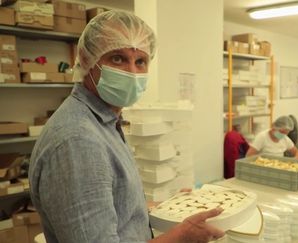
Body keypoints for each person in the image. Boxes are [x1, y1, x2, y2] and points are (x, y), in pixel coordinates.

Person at [28, 10, 224, 243]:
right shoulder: (78, 141)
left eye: (140, 61)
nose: (132, 73)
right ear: (87, 59)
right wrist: (181, 237)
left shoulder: (103, 122)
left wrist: (166, 208)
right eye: (118, 58)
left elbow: (113, 206)